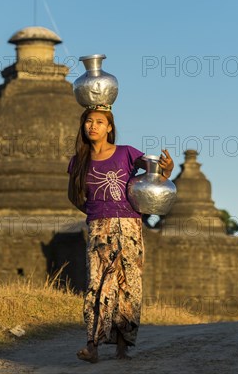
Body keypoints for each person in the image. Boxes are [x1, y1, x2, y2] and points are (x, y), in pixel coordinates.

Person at [67, 106, 174, 363]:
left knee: (129, 285)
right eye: (89, 122)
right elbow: (73, 195)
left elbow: (154, 174)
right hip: (98, 227)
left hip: (129, 226)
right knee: (98, 284)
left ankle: (123, 346)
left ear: (110, 128)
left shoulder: (126, 154)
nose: (93, 126)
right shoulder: (78, 161)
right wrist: (95, 210)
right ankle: (92, 344)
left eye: (99, 122)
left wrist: (167, 169)